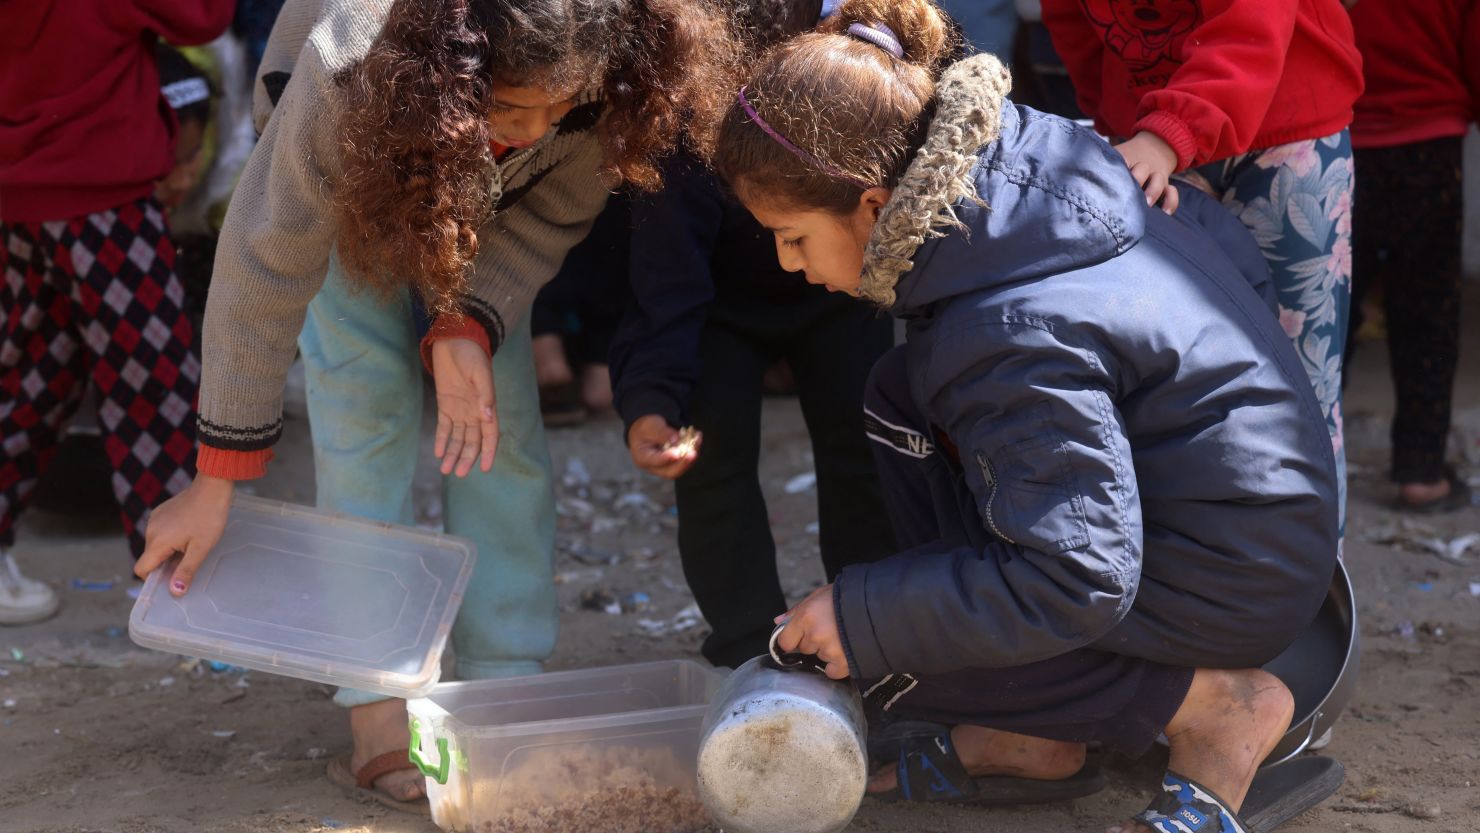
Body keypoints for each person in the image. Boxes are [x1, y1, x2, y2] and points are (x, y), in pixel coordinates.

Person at [716, 0, 1342, 828]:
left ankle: (1217, 708)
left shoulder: (1005, 327)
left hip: (1233, 575)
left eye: (792, 236)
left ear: (874, 207)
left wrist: (871, 619)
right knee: (900, 395)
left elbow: (1076, 575)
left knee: (900, 657)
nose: (788, 265)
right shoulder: (1026, 170)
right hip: (1253, 529)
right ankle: (1034, 736)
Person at [132, 0, 733, 810]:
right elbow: (265, 260)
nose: (537, 127)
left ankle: (503, 680)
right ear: (463, 66)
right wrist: (217, 477)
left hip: (492, 218)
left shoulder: (614, 77)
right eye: (517, 106)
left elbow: (553, 211)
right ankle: (374, 698)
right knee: (363, 415)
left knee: (497, 426)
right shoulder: (349, 66)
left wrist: (466, 324)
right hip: (354, 177)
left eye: (560, 110)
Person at [613, 0, 898, 669]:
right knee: (709, 455)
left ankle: (875, 638)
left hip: (846, 280)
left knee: (870, 453)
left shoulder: (862, 53)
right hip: (717, 299)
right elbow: (665, 267)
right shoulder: (680, 73)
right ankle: (751, 649)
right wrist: (652, 395)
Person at [1040, 0, 1364, 544]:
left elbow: (1256, 22)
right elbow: (1076, 26)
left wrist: (1167, 137)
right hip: (1144, 138)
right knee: (1177, 382)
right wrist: (1118, 128)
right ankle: (1218, 581)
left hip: (1287, 129)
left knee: (1302, 383)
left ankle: (1310, 587)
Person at [0, 0, 234, 625]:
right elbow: (204, 17)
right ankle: (171, 578)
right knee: (153, 386)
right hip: (107, 197)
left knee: (29, 378)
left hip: (18, 195)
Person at [1344, 0, 1478, 513]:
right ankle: (1421, 473)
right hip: (1431, 141)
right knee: (1428, 314)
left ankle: (1302, 469)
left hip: (1336, 142)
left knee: (1326, 318)